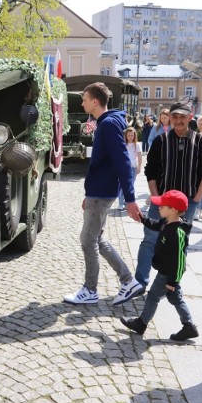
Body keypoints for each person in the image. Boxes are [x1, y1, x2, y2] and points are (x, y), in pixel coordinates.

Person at [63, 82, 144, 306]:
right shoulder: (108, 122)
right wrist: (89, 194)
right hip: (98, 192)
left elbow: (123, 162)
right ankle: (128, 281)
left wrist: (130, 199)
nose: (82, 103)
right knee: (97, 238)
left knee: (88, 240)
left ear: (95, 102)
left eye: (85, 99)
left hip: (102, 193)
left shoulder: (108, 124)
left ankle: (90, 289)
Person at [135, 102, 202, 289]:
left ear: (190, 118)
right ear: (169, 118)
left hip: (186, 204)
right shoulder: (161, 141)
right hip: (161, 202)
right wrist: (156, 196)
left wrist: (196, 199)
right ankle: (140, 282)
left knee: (178, 244)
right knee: (149, 240)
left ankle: (171, 282)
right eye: (175, 116)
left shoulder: (200, 141)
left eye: (182, 117)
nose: (178, 120)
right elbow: (151, 171)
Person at [120, 190, 199, 341]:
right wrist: (142, 219)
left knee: (153, 296)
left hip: (168, 274)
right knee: (175, 298)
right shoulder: (167, 222)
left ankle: (142, 323)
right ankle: (189, 326)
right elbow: (155, 225)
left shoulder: (177, 232)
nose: (159, 208)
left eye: (162, 206)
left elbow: (179, 260)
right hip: (165, 271)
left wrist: (172, 281)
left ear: (173, 210)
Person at [118, 127, 142, 211]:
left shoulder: (137, 145)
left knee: (130, 186)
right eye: (129, 135)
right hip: (124, 167)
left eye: (132, 135)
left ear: (134, 136)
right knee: (122, 185)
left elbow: (139, 156)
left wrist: (139, 167)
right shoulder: (123, 144)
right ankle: (121, 203)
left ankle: (127, 203)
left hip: (133, 168)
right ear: (126, 136)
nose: (130, 137)